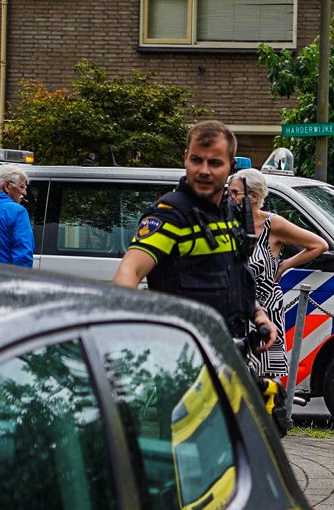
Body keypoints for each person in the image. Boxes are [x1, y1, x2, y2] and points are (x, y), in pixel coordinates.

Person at [112, 120, 276, 356]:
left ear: (231, 167)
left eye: (215, 163)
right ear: (185, 157)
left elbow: (236, 276)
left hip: (230, 357)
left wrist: (259, 315)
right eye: (197, 160)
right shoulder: (170, 214)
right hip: (182, 364)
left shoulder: (231, 213)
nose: (204, 171)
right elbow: (131, 270)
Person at [227, 167, 329, 432]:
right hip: (236, 308)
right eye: (229, 192)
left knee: (267, 373)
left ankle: (268, 426)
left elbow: (319, 245)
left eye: (235, 193)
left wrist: (284, 266)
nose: (230, 198)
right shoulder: (226, 223)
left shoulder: (273, 224)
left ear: (253, 196)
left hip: (267, 309)